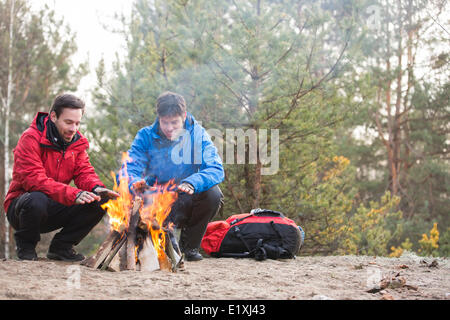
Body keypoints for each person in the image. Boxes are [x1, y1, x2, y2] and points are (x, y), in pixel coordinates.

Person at [4, 94, 119, 261]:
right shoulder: (30, 138)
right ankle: (26, 248)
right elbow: (34, 181)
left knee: (100, 200)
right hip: (22, 208)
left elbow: (84, 172)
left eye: (77, 123)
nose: (74, 128)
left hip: (54, 204)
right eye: (68, 122)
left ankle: (61, 247)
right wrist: (73, 194)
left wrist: (96, 188)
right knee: (37, 198)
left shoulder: (77, 143)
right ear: (53, 117)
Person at [126, 91, 224, 261]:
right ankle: (159, 243)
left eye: (174, 122)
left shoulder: (198, 134)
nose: (169, 128)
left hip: (185, 198)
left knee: (213, 194)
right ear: (159, 117)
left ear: (184, 116)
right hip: (155, 201)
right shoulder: (145, 135)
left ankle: (191, 248)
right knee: (137, 196)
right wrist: (135, 182)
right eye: (165, 122)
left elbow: (216, 168)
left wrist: (192, 183)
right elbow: (130, 167)